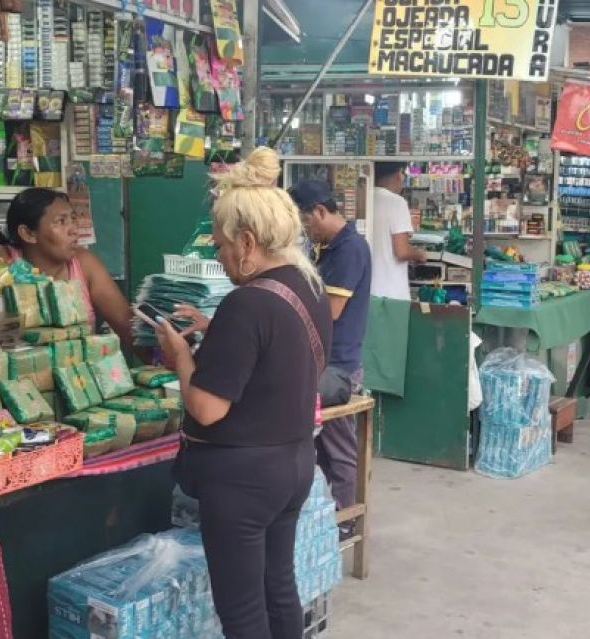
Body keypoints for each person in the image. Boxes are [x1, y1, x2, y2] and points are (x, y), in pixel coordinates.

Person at [155, 147, 332, 639]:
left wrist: (182, 356)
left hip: (243, 478)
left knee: (242, 610)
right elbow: (280, 351)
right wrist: (217, 329)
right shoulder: (306, 285)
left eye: (219, 245)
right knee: (279, 587)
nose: (218, 254)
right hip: (293, 462)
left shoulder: (247, 302)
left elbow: (207, 408)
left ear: (248, 242)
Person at [289, 179, 372, 515]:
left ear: (320, 212)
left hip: (338, 367)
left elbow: (331, 310)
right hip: (323, 362)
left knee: (338, 452)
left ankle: (345, 518)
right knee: (320, 452)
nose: (306, 233)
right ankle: (327, 519)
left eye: (306, 223)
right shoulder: (328, 247)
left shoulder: (350, 248)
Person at [0, 188, 136, 346]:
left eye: (73, 220)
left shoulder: (84, 263)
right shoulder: (0, 259)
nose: (74, 231)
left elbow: (127, 326)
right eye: (61, 221)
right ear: (28, 233)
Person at [370, 162, 426, 300]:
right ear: (398, 174)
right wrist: (420, 254)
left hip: (367, 291)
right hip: (390, 293)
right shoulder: (397, 202)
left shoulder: (364, 197)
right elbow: (402, 251)